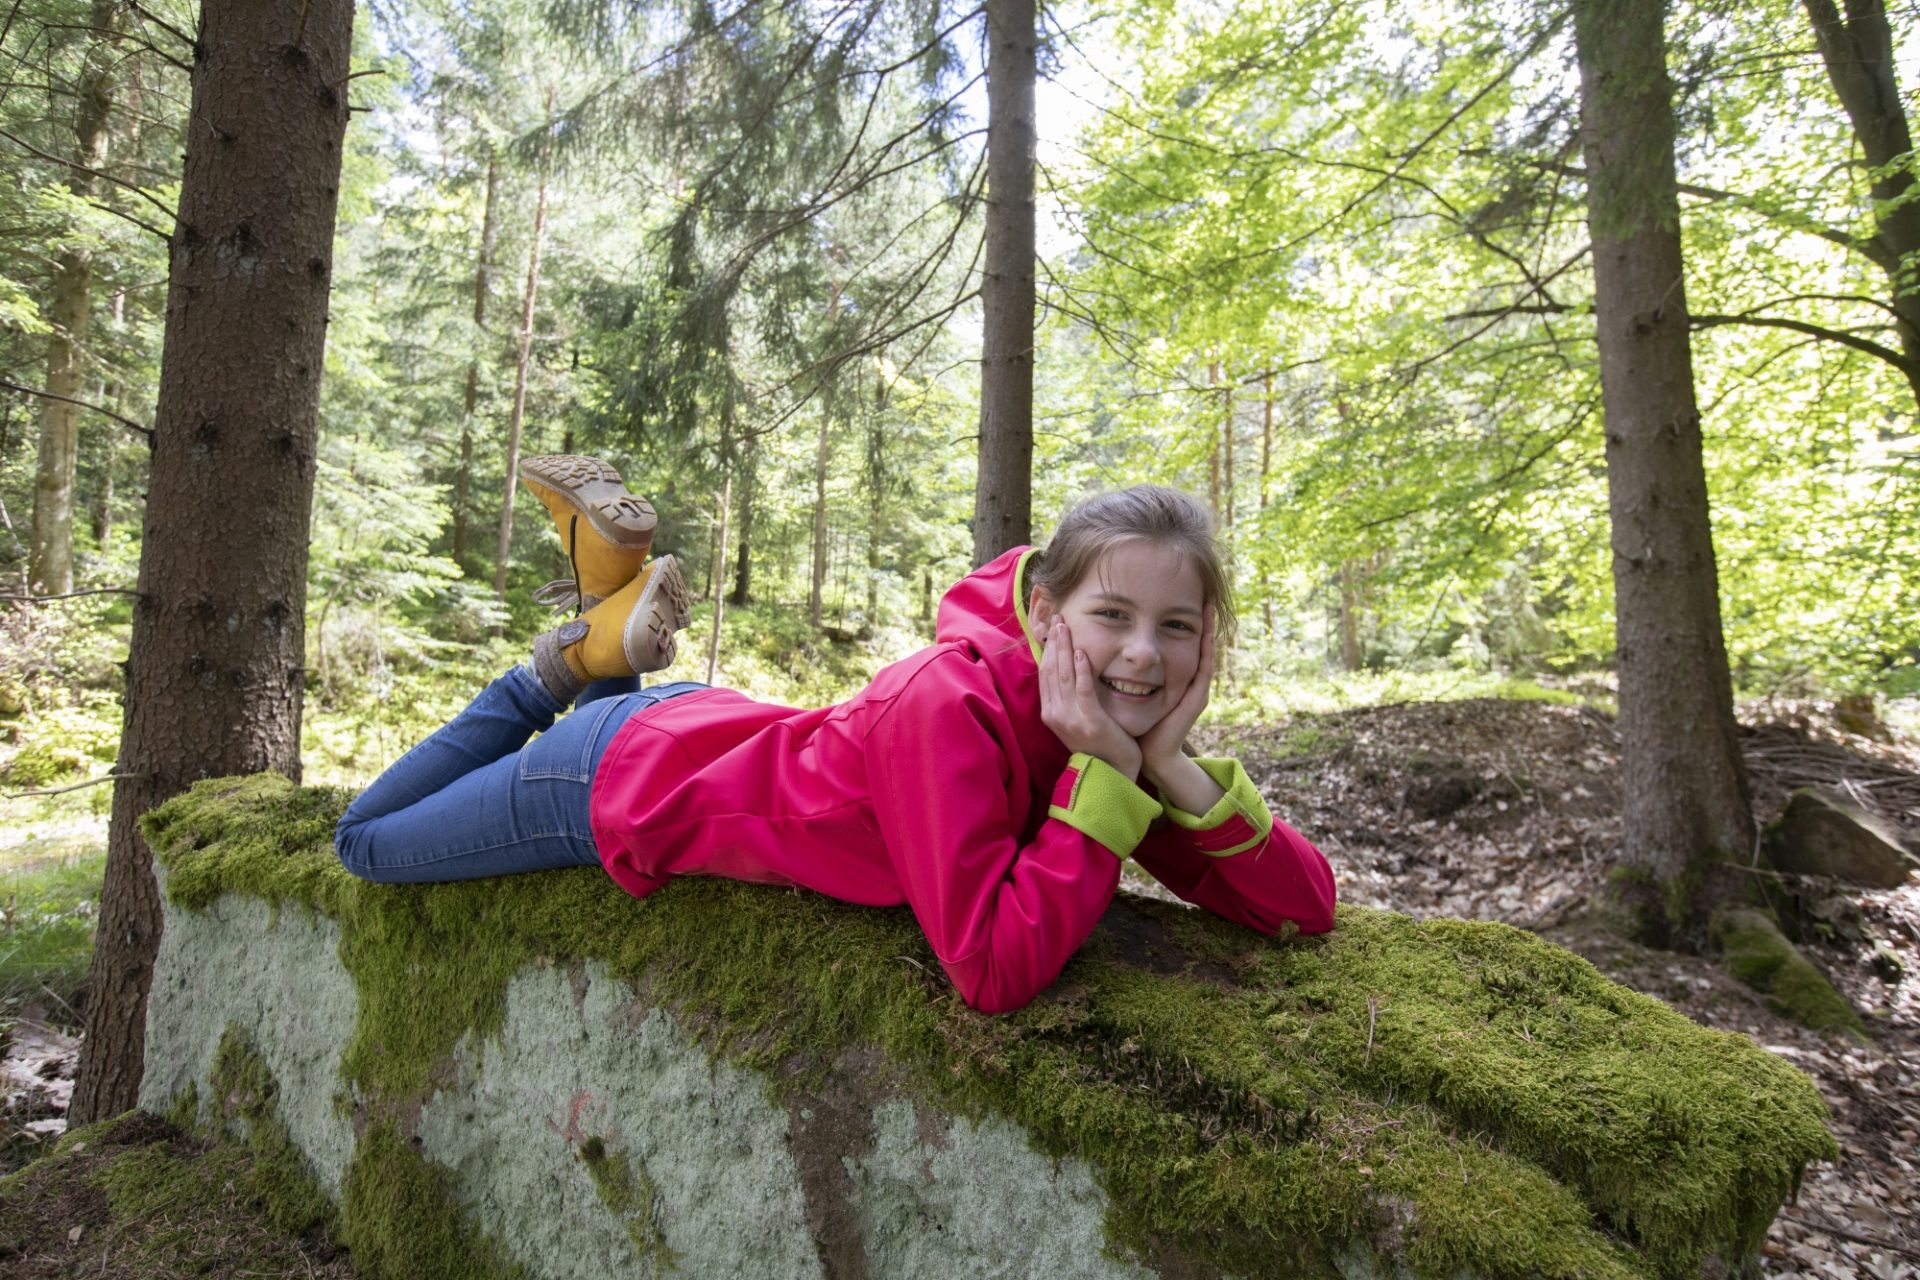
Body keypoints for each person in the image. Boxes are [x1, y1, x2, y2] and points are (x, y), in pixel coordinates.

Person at [336, 455, 1336, 1013]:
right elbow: (987, 966)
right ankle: (550, 671)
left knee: (620, 699)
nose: (1145, 655)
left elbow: (1305, 906)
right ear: (1045, 611)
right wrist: (1117, 773)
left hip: (700, 725)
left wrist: (1164, 765)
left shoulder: (1104, 724)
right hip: (611, 778)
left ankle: (609, 622)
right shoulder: (947, 705)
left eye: (1176, 627)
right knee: (365, 842)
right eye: (1112, 615)